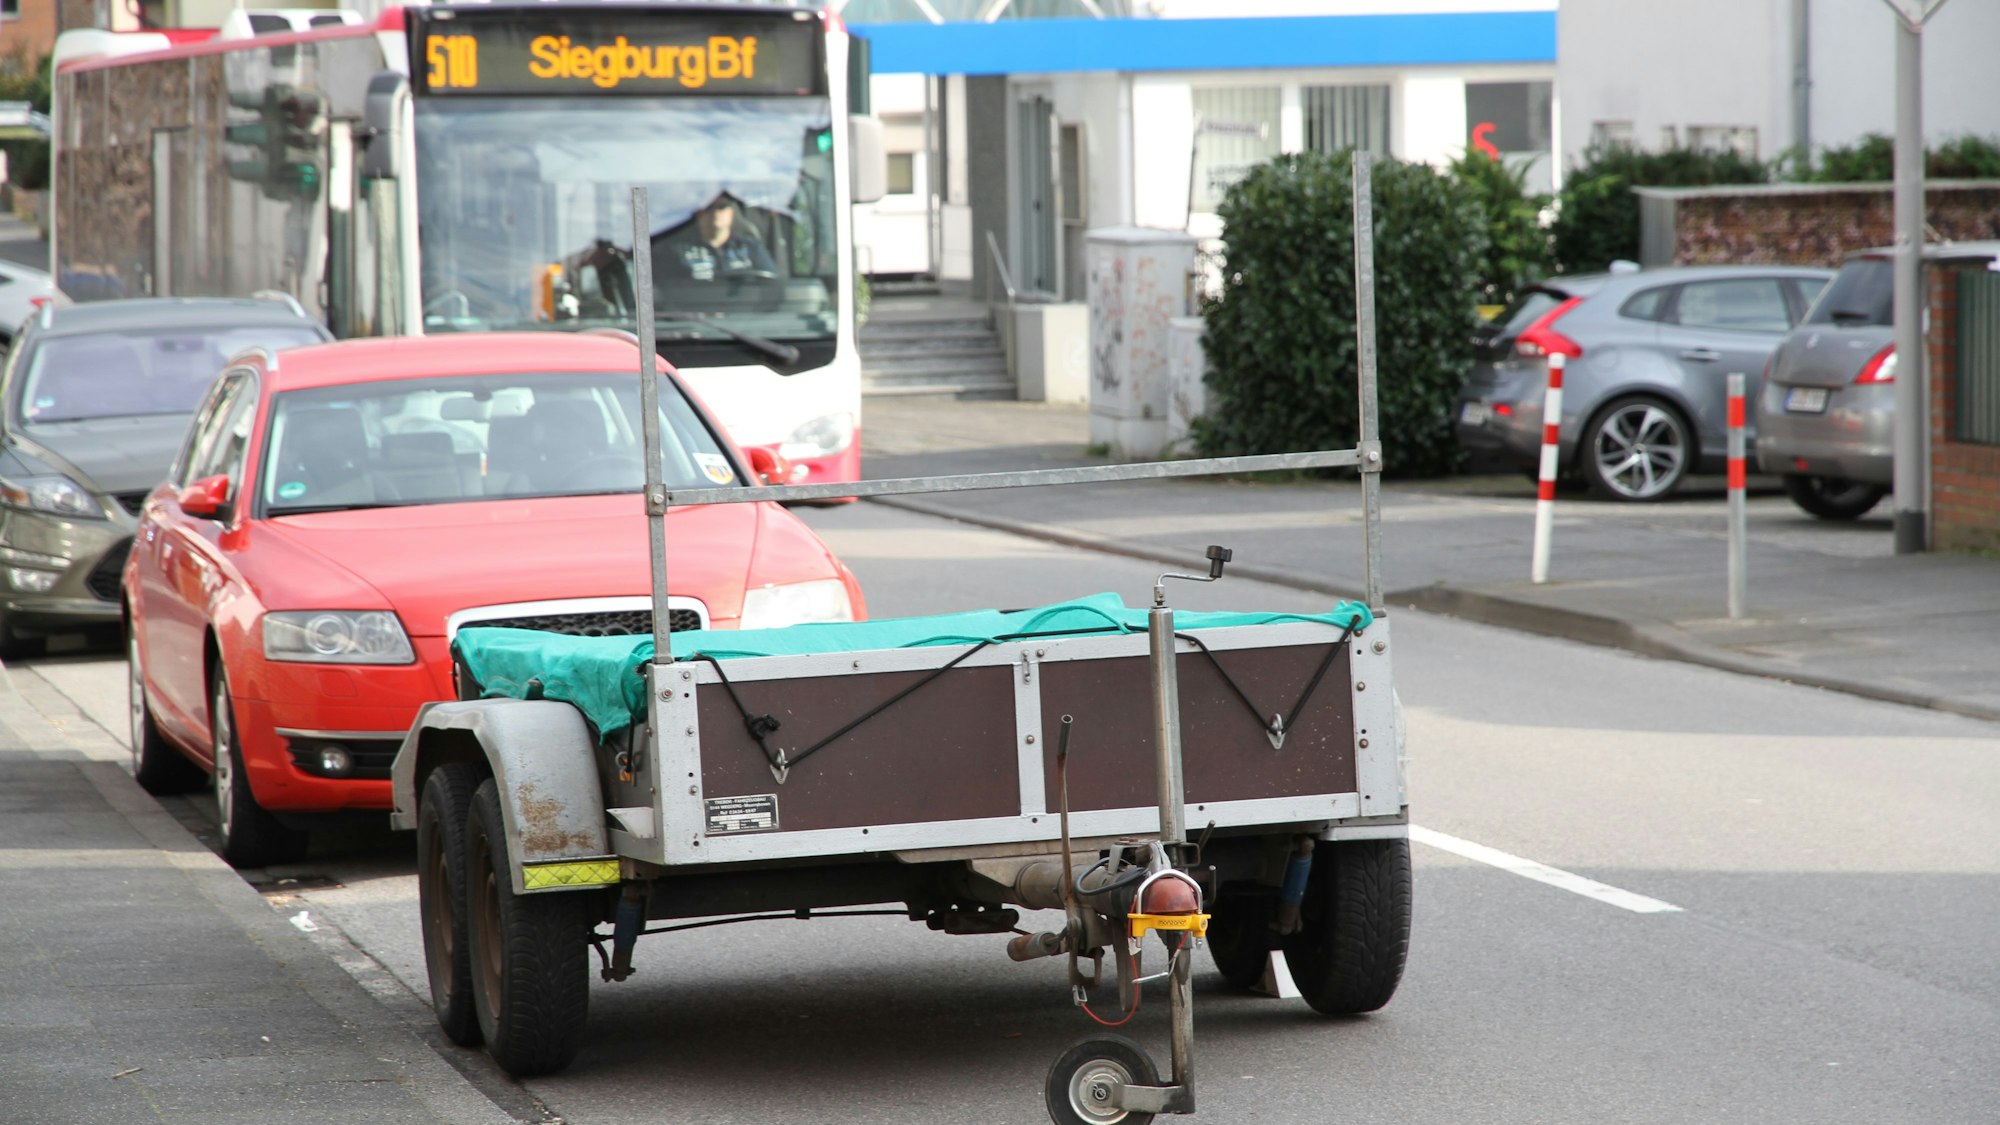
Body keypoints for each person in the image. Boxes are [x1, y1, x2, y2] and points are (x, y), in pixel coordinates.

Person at [658, 195, 775, 282]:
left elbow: (773, 287)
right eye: (709, 207)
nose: (715, 213)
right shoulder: (677, 251)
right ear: (698, 214)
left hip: (744, 312)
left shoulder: (752, 248)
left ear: (731, 213)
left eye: (722, 207)